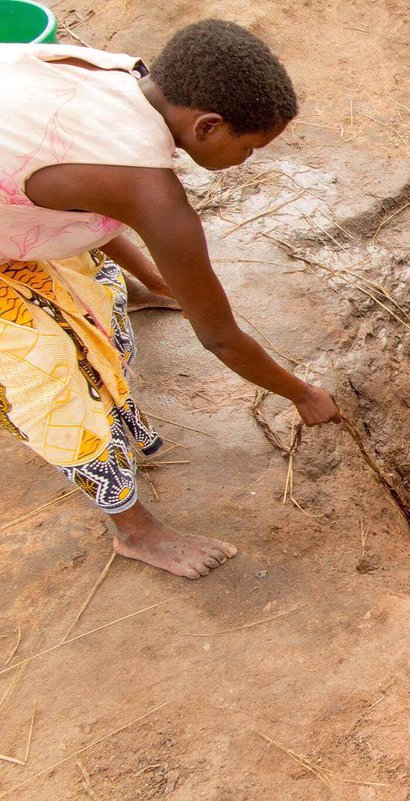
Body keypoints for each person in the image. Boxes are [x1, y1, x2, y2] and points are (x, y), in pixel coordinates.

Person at [0, 19, 341, 578]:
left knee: (94, 292)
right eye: (249, 148)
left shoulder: (117, 74)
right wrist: (302, 394)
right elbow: (220, 339)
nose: (248, 160)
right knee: (50, 377)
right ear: (208, 126)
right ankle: (134, 530)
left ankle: (132, 293)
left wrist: (155, 281)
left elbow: (77, 194)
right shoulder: (152, 194)